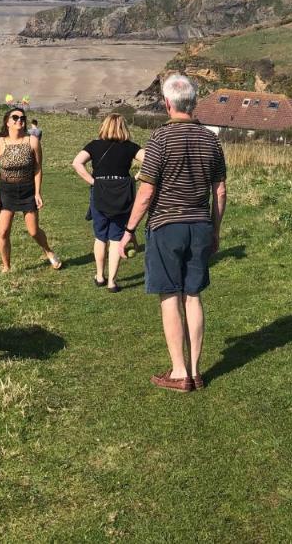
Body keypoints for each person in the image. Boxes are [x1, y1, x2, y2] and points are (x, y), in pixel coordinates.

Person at [118, 75, 226, 393]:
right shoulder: (211, 140)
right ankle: (195, 371)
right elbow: (219, 192)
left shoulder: (160, 140)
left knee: (170, 296)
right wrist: (215, 230)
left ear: (167, 104)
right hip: (200, 226)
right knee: (193, 295)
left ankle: (179, 372)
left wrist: (128, 230)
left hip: (167, 226)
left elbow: (147, 191)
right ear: (193, 103)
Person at [72, 113, 145, 292]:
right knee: (116, 239)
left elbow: (76, 163)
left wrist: (93, 181)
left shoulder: (94, 146)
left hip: (100, 194)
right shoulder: (130, 147)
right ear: (123, 127)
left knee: (100, 237)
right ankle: (112, 282)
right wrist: (135, 178)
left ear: (104, 126)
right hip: (122, 196)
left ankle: (99, 276)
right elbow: (151, 160)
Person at [0, 107, 62, 273]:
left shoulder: (32, 141)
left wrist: (37, 192)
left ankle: (48, 251)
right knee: (3, 232)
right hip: (6, 191)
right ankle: (6, 266)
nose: (20, 120)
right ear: (7, 121)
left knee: (33, 231)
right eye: (15, 117)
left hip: (27, 190)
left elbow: (38, 168)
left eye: (22, 118)